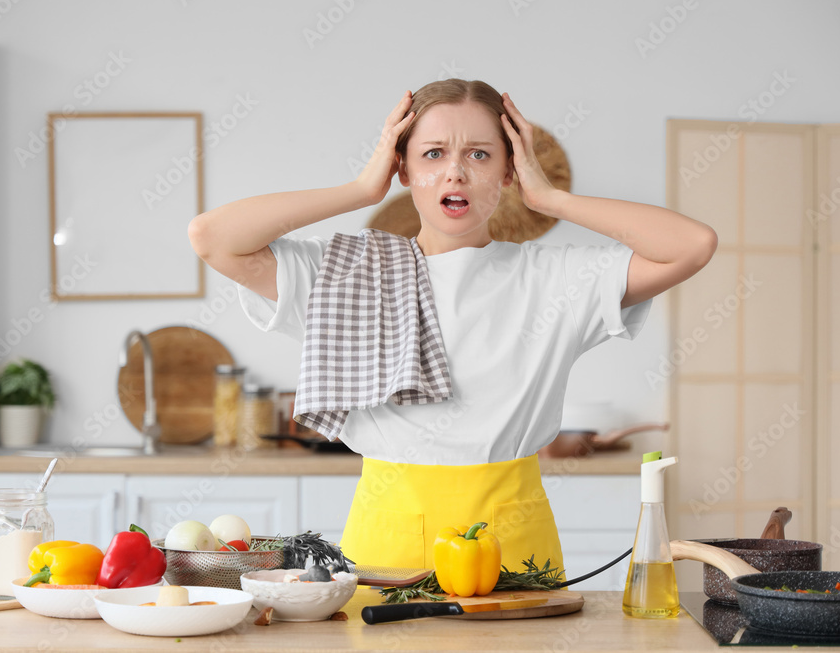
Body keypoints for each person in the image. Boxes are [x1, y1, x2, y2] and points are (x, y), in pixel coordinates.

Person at [188, 79, 717, 574]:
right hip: (387, 546)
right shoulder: (341, 274)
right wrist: (360, 189)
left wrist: (551, 198)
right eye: (433, 153)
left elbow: (692, 246)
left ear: (510, 171)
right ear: (403, 168)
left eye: (480, 154)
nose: (455, 172)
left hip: (514, 547)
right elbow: (213, 236)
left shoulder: (556, 277)